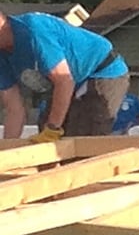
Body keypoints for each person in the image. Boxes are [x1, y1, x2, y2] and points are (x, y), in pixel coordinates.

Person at [0, 10, 130, 141]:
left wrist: (52, 130)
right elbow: (14, 109)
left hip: (102, 71)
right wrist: (5, 152)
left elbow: (64, 80)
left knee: (85, 139)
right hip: (65, 85)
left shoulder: (34, 30)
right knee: (45, 139)